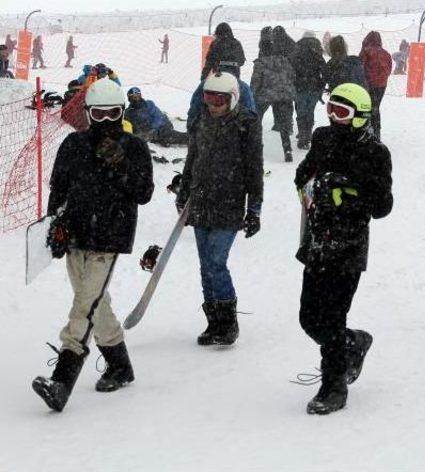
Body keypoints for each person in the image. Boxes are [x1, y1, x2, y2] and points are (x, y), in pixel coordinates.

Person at [32, 78, 154, 412]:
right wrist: (55, 225)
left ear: (122, 113)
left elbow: (143, 193)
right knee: (95, 304)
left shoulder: (134, 148)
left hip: (110, 238)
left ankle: (62, 381)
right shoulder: (73, 145)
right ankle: (119, 364)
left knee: (84, 306)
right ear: (87, 114)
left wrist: (120, 164)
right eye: (97, 115)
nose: (105, 122)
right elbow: (59, 188)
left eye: (112, 114)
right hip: (76, 235)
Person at [295, 82, 393, 415]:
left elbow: (382, 206)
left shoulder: (375, 153)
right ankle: (353, 342)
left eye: (343, 112)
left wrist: (348, 192)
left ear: (360, 117)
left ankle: (333, 385)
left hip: (348, 245)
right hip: (317, 241)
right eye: (331, 109)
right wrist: (314, 188)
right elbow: (301, 176)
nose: (335, 118)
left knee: (332, 317)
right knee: (309, 318)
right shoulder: (322, 138)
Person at [175, 72, 263, 347]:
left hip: (229, 202)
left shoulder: (246, 125)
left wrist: (254, 209)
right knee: (205, 265)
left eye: (220, 100)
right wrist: (184, 191)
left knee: (216, 261)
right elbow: (193, 158)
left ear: (233, 99)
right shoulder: (202, 120)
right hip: (201, 200)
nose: (213, 105)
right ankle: (213, 321)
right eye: (208, 98)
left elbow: (254, 169)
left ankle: (228, 320)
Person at [251, 31, 296, 161]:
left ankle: (255, 148)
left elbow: (255, 82)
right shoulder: (284, 60)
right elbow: (292, 76)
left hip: (264, 95)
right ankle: (287, 150)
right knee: (283, 125)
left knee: (255, 121)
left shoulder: (260, 63)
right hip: (282, 95)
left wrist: (252, 96)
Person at [291, 31, 327, 150]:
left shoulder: (296, 50)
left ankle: (302, 136)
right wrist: (321, 84)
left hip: (299, 87)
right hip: (314, 87)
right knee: (310, 111)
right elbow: (324, 71)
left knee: (301, 112)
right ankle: (308, 134)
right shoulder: (318, 51)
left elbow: (291, 69)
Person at [359, 31, 392, 140]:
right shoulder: (386, 53)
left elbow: (360, 66)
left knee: (366, 108)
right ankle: (376, 132)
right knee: (375, 107)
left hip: (368, 84)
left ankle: (367, 129)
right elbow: (389, 69)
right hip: (382, 85)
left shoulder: (366, 51)